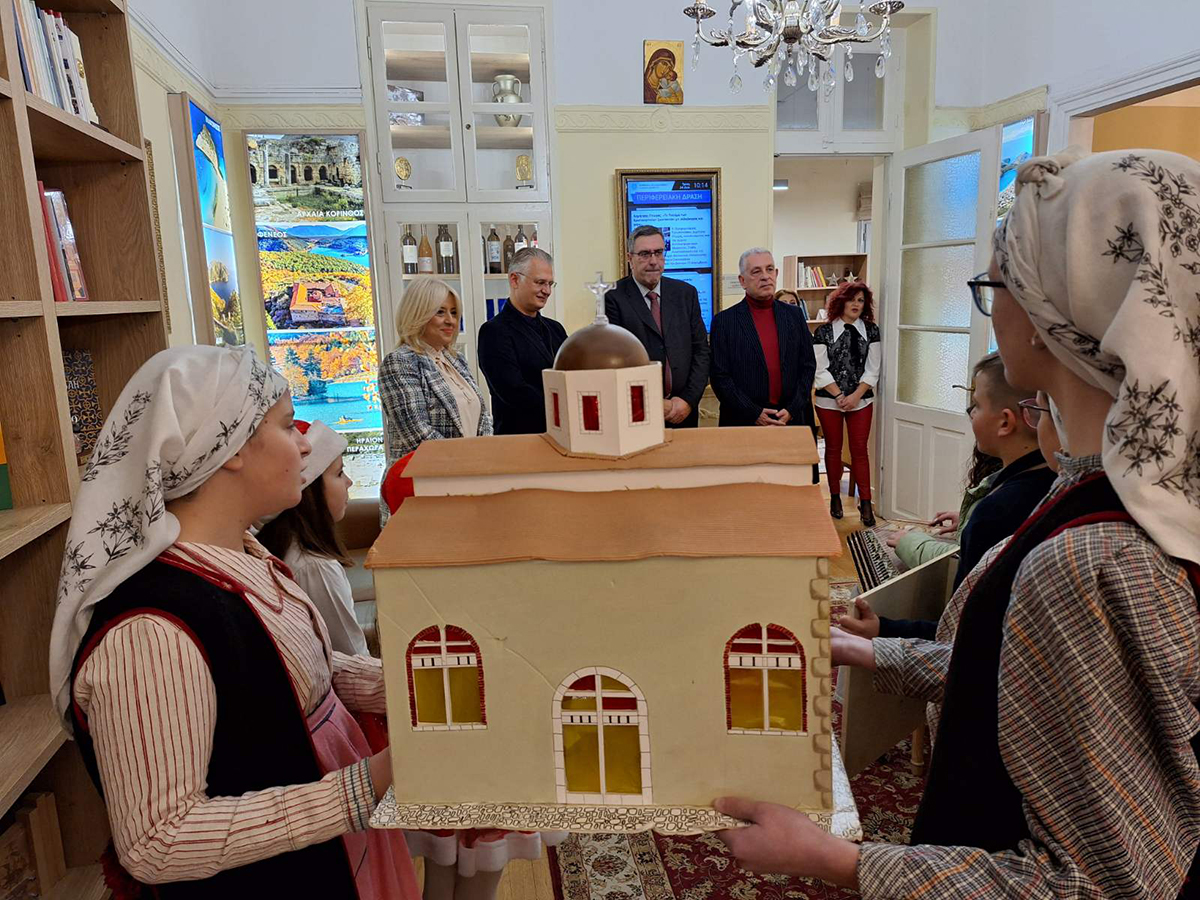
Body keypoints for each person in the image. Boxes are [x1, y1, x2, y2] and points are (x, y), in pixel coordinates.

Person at [716, 149, 1200, 896]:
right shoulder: (1127, 493)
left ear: (1047, 319)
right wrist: (869, 651)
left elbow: (1094, 883)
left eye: (995, 284)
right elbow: (1010, 678)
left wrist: (838, 860)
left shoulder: (1089, 558)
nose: (991, 305)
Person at [51, 345, 417, 899]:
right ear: (229, 448)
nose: (303, 444)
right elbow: (158, 839)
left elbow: (293, 675)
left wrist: (414, 689)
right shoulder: (150, 632)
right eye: (285, 425)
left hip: (330, 847)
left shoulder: (246, 556)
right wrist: (366, 784)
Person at [843, 355, 1060, 641]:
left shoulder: (996, 512)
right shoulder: (1051, 481)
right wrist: (967, 519)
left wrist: (883, 629)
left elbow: (961, 629)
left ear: (1005, 422)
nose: (970, 413)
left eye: (976, 405)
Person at [379, 277, 493, 516]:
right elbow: (418, 434)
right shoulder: (399, 362)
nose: (450, 320)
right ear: (418, 313)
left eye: (454, 312)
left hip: (470, 486)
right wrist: (468, 467)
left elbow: (483, 417)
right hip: (422, 489)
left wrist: (483, 461)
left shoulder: (456, 360)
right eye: (440, 312)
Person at [257, 419, 368, 657]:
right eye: (339, 473)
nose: (349, 482)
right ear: (309, 490)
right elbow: (350, 654)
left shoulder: (278, 548)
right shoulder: (316, 567)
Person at [604, 225, 711, 428]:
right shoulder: (613, 298)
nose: (653, 261)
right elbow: (615, 362)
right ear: (630, 258)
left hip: (684, 412)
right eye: (644, 254)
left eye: (659, 252)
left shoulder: (685, 293)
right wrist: (653, 403)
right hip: (638, 412)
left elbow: (701, 351)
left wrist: (688, 400)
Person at [709, 248, 816, 431]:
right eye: (756, 271)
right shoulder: (724, 322)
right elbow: (720, 378)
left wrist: (792, 409)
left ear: (776, 274)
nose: (765, 276)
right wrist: (753, 413)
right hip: (744, 422)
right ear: (742, 281)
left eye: (769, 269)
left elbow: (807, 366)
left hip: (791, 418)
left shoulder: (794, 315)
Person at [811, 281, 882, 525]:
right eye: (851, 299)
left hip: (861, 400)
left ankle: (866, 503)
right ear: (840, 302)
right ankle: (834, 498)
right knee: (832, 449)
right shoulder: (823, 332)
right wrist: (840, 396)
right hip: (828, 400)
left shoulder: (871, 331)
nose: (856, 304)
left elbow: (873, 369)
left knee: (859, 450)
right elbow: (820, 369)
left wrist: (855, 396)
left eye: (860, 300)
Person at [476, 248, 567, 435]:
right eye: (540, 282)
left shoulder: (555, 329)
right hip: (520, 439)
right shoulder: (494, 332)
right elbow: (514, 392)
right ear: (514, 280)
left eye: (550, 284)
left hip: (562, 434)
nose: (547, 291)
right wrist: (564, 407)